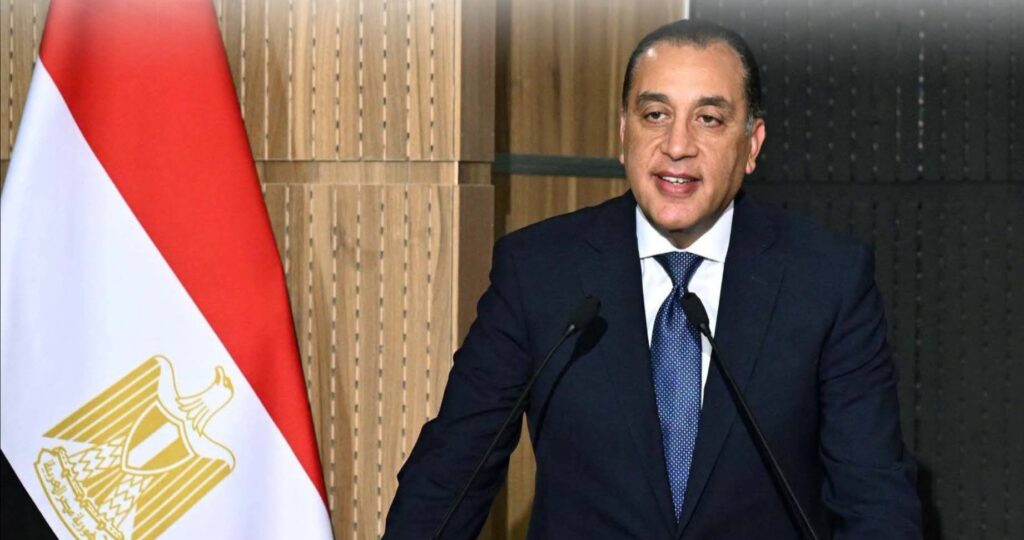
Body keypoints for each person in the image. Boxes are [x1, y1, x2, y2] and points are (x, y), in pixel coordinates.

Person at [384, 19, 922, 539]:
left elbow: (873, 497)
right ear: (624, 134)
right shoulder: (539, 270)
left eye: (708, 119)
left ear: (752, 145)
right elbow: (453, 471)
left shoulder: (826, 279)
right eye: (656, 114)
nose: (677, 144)